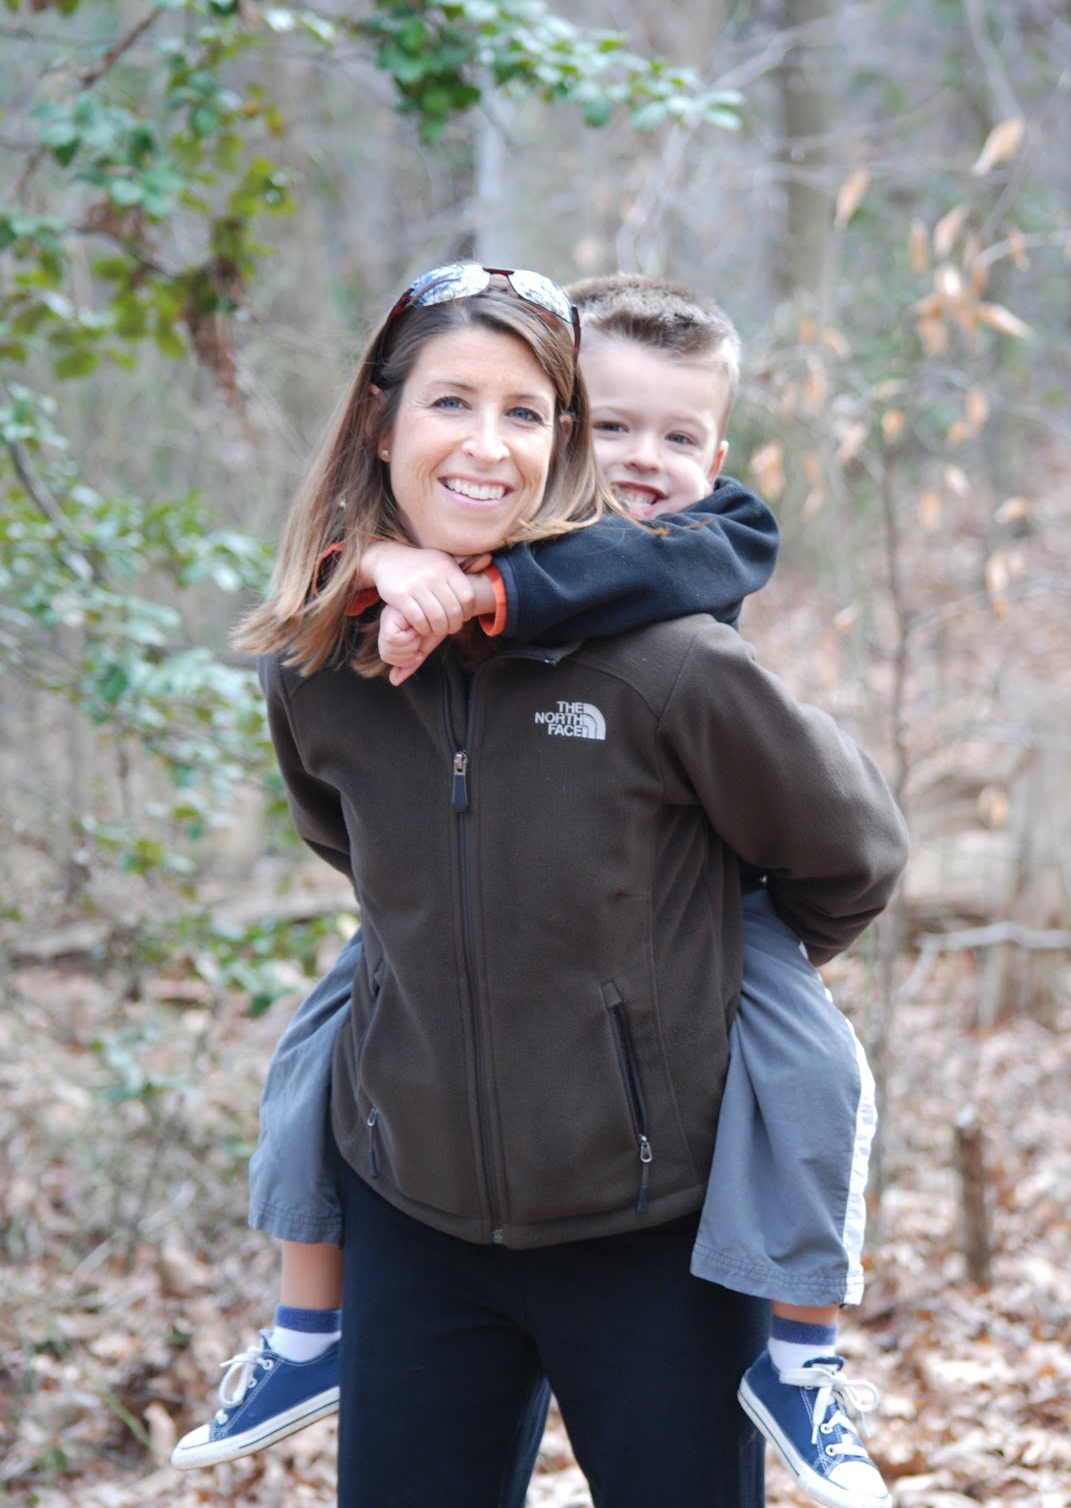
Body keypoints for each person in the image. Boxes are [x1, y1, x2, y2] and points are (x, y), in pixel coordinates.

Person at [175, 264, 909, 1508]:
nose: (488, 444)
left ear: (555, 441)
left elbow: (853, 857)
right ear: (381, 422)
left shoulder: (669, 663)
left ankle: (805, 1360)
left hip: (653, 1231)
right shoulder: (324, 665)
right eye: (450, 403)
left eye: (523, 412)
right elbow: (353, 849)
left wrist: (691, 975)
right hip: (411, 1224)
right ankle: (302, 1337)